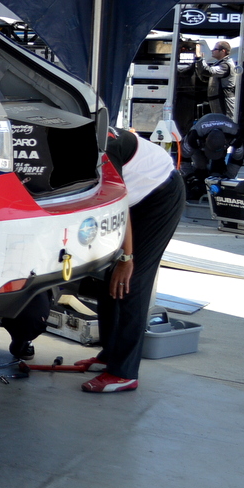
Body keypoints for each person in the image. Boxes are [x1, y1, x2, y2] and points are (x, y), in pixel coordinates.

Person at [75, 127, 184, 393]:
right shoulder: (74, 141)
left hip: (160, 195)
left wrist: (127, 258)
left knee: (131, 281)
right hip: (133, 198)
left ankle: (124, 372)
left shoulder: (102, 148)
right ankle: (110, 355)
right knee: (107, 277)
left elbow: (118, 203)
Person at [179, 113, 244, 199]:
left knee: (218, 168)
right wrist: (191, 178)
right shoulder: (194, 136)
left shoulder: (235, 136)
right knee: (200, 165)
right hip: (201, 135)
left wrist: (227, 178)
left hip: (223, 136)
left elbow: (237, 160)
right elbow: (182, 158)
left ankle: (217, 174)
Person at [192, 40, 237, 118]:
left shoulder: (226, 65)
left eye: (215, 49)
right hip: (217, 99)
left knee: (224, 121)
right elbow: (205, 77)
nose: (212, 51)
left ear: (223, 51)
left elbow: (208, 71)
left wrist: (200, 58)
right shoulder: (219, 63)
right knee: (218, 121)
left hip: (223, 99)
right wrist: (198, 64)